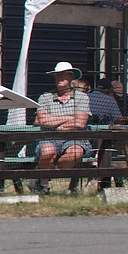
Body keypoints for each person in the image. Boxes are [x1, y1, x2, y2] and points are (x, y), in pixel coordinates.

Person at [33, 61, 90, 194]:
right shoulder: (45, 97)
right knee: (47, 151)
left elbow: (81, 123)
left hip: (76, 138)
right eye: (57, 75)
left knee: (75, 152)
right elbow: (43, 120)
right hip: (49, 138)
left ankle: (44, 178)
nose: (59, 78)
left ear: (71, 77)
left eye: (62, 75)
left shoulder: (82, 97)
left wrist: (56, 122)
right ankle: (43, 187)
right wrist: (71, 118)